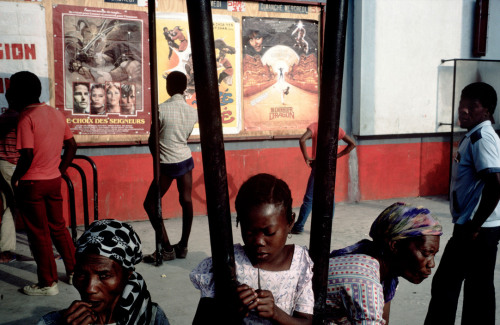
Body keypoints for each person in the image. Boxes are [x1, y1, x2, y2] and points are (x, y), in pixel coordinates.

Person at [190, 173, 314, 324]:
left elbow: (307, 321)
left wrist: (276, 313)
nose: (259, 241)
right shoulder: (229, 262)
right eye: (250, 232)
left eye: (269, 232)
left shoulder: (300, 263)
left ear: (290, 222)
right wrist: (231, 310)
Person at [424, 82, 500, 325]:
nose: (463, 110)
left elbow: (495, 184)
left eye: (472, 106)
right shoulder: (474, 136)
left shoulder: (481, 138)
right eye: (461, 105)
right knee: (472, 287)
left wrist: (475, 226)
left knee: (453, 284)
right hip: (474, 225)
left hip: (477, 228)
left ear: (486, 111)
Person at [9, 71, 78, 296]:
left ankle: (48, 283)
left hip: (31, 184)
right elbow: (72, 146)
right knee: (59, 227)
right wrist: (59, 170)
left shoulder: (26, 117)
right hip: (53, 181)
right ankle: (74, 272)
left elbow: (26, 155)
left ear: (18, 93)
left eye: (11, 89)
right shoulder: (55, 113)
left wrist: (15, 177)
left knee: (39, 234)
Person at [327, 202, 442, 324]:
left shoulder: (386, 276)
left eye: (433, 255)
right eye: (425, 253)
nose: (431, 264)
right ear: (395, 245)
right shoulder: (365, 281)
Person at [38, 219, 170, 325]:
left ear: (127, 275)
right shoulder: (51, 322)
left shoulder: (151, 317)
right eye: (82, 274)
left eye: (104, 276)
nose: (90, 288)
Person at [143, 71, 198, 262]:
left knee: (150, 204)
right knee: (186, 200)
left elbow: (152, 140)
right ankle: (183, 246)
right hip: (185, 159)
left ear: (169, 87)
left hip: (166, 163)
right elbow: (185, 136)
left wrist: (157, 162)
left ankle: (166, 248)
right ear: (183, 88)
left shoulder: (161, 109)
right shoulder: (192, 111)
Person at [291, 123, 356, 234]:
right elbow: (352, 144)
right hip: (330, 166)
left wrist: (306, 157)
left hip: (318, 165)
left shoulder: (315, 126)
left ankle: (299, 226)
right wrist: (337, 156)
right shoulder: (337, 129)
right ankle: (327, 227)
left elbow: (302, 139)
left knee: (309, 198)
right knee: (329, 197)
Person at [0, 104, 20, 263]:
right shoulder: (19, 118)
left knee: (10, 205)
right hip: (12, 164)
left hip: (3, 163)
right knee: (23, 207)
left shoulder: (5, 117)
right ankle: (5, 250)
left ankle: (5, 249)